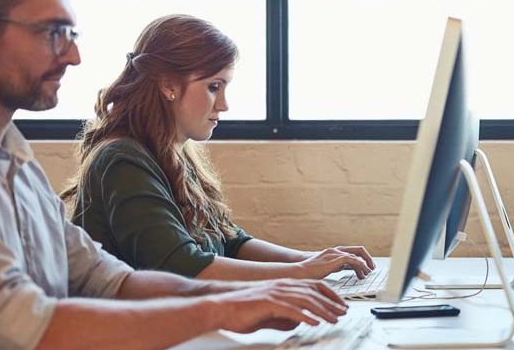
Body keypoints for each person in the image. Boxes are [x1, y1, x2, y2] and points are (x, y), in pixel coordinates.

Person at [0, 0, 350, 350]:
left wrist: (249, 299)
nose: (73, 58)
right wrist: (224, 310)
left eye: (73, 35)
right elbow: (35, 335)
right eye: (53, 32)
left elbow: (112, 282)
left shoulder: (12, 156)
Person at [59, 14, 376, 282]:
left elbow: (231, 241)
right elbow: (180, 266)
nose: (223, 104)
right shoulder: (122, 159)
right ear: (168, 85)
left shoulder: (172, 152)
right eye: (213, 87)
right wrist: (299, 271)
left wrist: (313, 260)